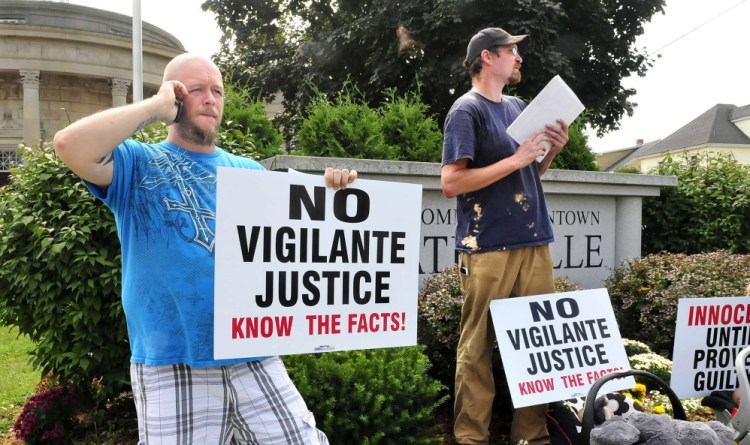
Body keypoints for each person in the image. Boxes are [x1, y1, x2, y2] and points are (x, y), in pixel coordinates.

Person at [53, 53, 356, 445]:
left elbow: (296, 249)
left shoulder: (250, 173)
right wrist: (153, 108)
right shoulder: (137, 162)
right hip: (170, 365)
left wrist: (335, 198)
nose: (210, 98)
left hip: (253, 355)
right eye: (195, 90)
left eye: (217, 91)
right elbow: (69, 145)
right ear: (172, 97)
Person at [440, 28, 570, 445]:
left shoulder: (517, 106)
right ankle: (471, 438)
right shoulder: (466, 110)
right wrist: (515, 158)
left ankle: (531, 437)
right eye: (511, 50)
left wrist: (549, 151)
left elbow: (530, 172)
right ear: (487, 57)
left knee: (539, 350)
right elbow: (451, 182)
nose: (518, 57)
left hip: (534, 242)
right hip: (487, 247)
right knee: (477, 349)